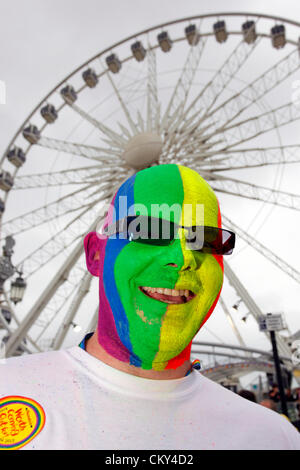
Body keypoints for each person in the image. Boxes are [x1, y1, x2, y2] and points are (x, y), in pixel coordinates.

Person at [1, 164, 300, 450]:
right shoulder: (9, 390)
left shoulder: (275, 438)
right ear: (95, 254)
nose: (184, 257)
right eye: (147, 231)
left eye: (206, 241)